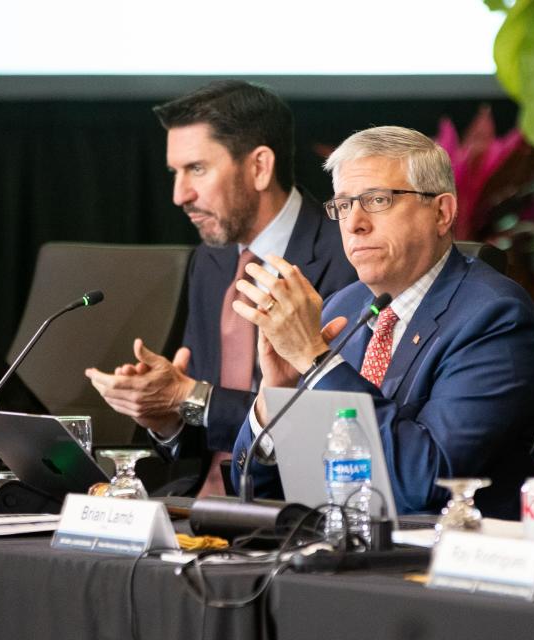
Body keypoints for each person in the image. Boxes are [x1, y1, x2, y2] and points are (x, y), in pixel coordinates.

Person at [230, 126, 534, 518]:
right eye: (344, 205)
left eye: (377, 200)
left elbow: (428, 483)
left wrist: (317, 362)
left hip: (440, 563)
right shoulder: (340, 309)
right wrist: (274, 396)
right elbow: (254, 487)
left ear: (442, 212)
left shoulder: (495, 318)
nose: (354, 224)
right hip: (335, 549)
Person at [86, 80, 356, 495]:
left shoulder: (348, 256)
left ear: (260, 167)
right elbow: (202, 432)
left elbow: (340, 421)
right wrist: (167, 418)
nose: (180, 195)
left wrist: (192, 397)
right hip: (199, 508)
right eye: (175, 173)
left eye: (197, 169)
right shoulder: (210, 262)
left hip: (300, 505)